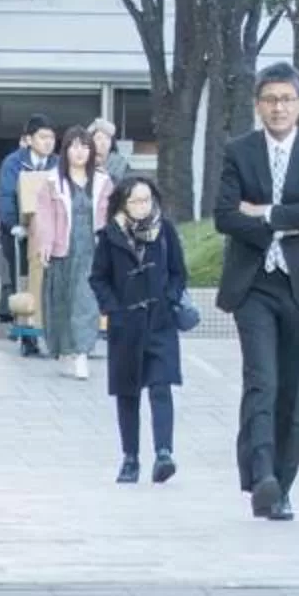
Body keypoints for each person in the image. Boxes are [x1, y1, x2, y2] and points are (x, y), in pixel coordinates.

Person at [218, 62, 299, 521]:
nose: (279, 107)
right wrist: (291, 213)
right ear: (258, 105)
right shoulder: (239, 152)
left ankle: (282, 487)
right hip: (254, 285)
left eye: (287, 99)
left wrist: (265, 213)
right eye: (270, 99)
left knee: (294, 386)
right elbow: (225, 215)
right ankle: (262, 476)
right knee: (261, 380)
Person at [91, 174, 192, 484]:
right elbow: (98, 278)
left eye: (146, 200)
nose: (141, 206)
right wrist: (113, 308)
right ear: (123, 203)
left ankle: (164, 453)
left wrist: (170, 297)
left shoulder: (165, 230)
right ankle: (130, 457)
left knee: (161, 387)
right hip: (126, 325)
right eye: (135, 201)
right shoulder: (110, 236)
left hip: (160, 322)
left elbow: (178, 272)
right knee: (127, 393)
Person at [45, 132, 109, 379]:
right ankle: (66, 351)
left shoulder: (103, 182)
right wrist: (46, 244)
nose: (80, 151)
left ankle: (82, 353)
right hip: (63, 249)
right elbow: (45, 216)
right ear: (65, 151)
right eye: (73, 147)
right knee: (62, 302)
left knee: (85, 299)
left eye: (84, 146)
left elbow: (112, 215)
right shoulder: (53, 181)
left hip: (92, 251)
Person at [0, 120, 59, 361]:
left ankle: (53, 335)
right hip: (20, 233)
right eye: (43, 137)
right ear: (30, 139)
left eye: (51, 138)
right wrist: (13, 223)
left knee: (51, 284)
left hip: (51, 234)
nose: (48, 142)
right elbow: (6, 194)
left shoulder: (57, 163)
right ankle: (27, 337)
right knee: (24, 283)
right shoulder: (14, 162)